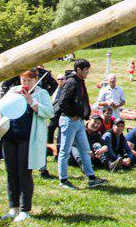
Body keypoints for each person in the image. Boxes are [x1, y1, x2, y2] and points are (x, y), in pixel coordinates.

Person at [0, 69, 55, 222]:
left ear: (36, 80)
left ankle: (24, 209)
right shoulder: (14, 90)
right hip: (9, 136)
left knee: (24, 172)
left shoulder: (41, 93)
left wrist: (31, 102)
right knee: (11, 172)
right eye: (23, 80)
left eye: (29, 81)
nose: (26, 84)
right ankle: (13, 207)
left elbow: (49, 113)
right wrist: (12, 100)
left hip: (28, 138)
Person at [54, 59, 107, 189]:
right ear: (78, 70)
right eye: (86, 70)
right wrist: (72, 115)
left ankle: (91, 177)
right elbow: (62, 102)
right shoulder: (71, 82)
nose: (87, 73)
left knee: (85, 149)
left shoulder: (79, 82)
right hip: (69, 120)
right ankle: (63, 180)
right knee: (65, 151)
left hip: (78, 122)